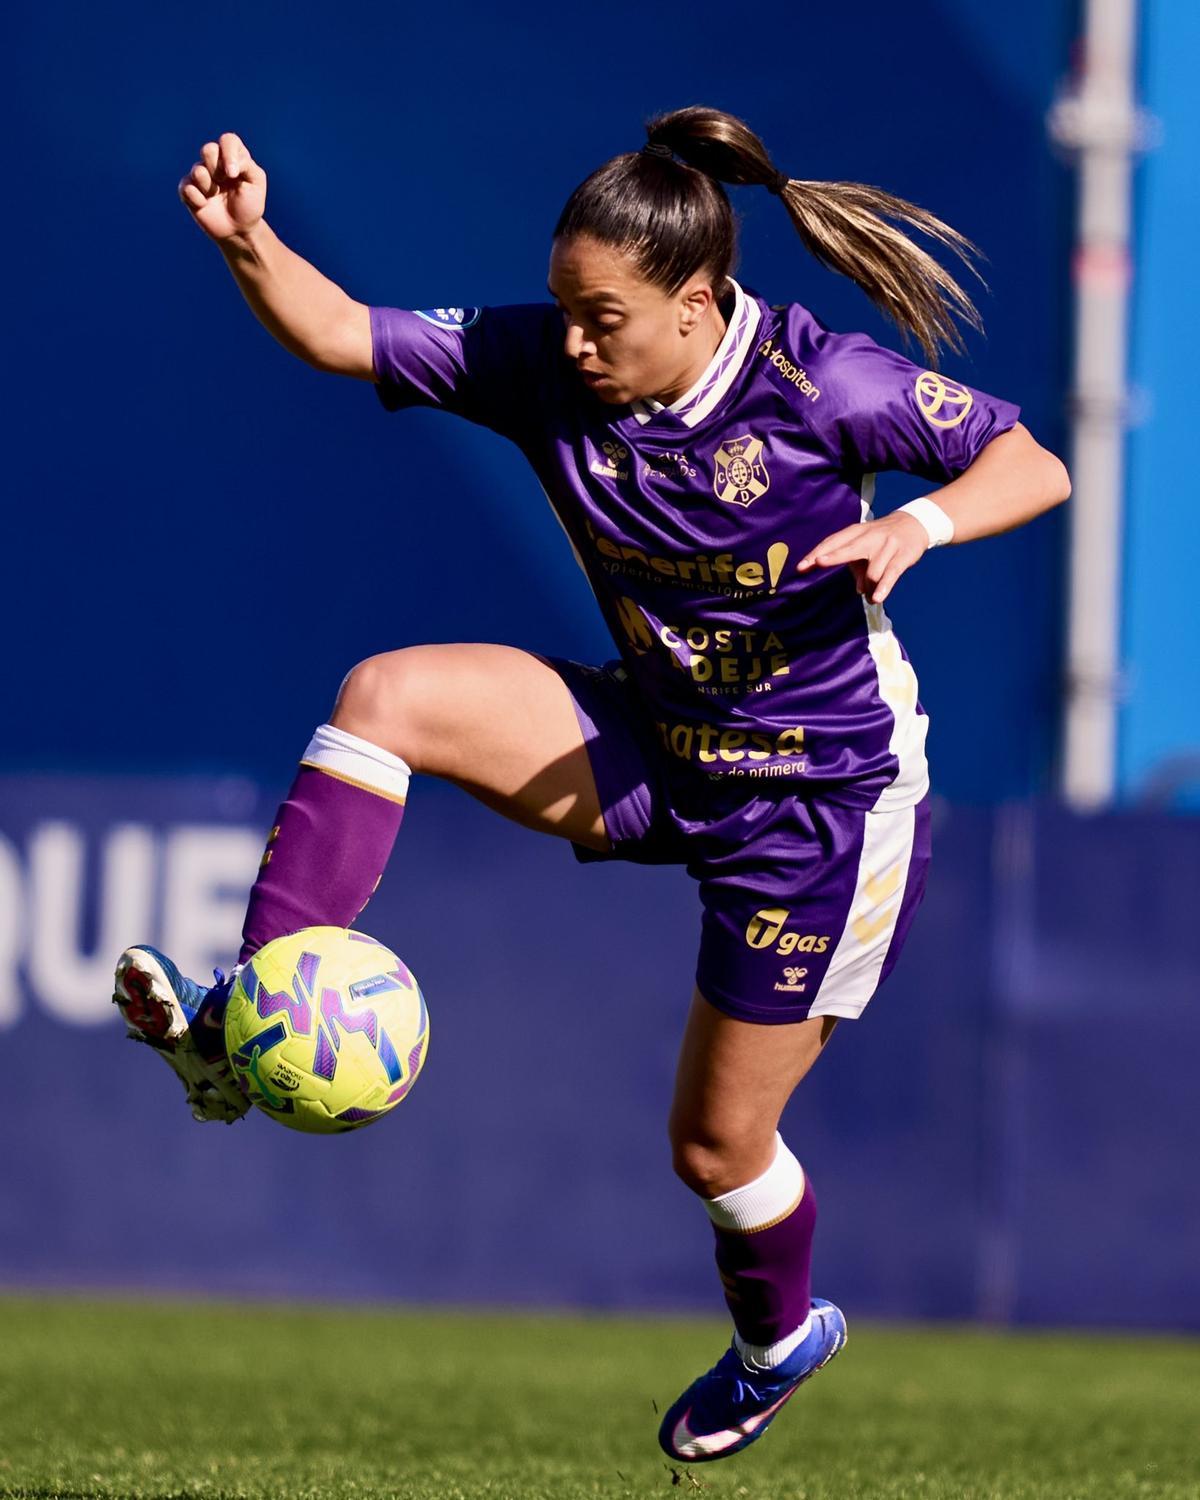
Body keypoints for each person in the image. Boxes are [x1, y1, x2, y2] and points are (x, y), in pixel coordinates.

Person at [113, 108, 1069, 1463]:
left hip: (820, 809)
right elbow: (343, 333)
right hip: (660, 740)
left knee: (716, 1151)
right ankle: (242, 1027)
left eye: (601, 317)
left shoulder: (818, 382)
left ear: (698, 302)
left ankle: (777, 1342)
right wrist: (250, 242)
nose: (571, 342)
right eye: (562, 309)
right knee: (391, 696)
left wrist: (917, 521)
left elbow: (1032, 459)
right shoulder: (547, 364)